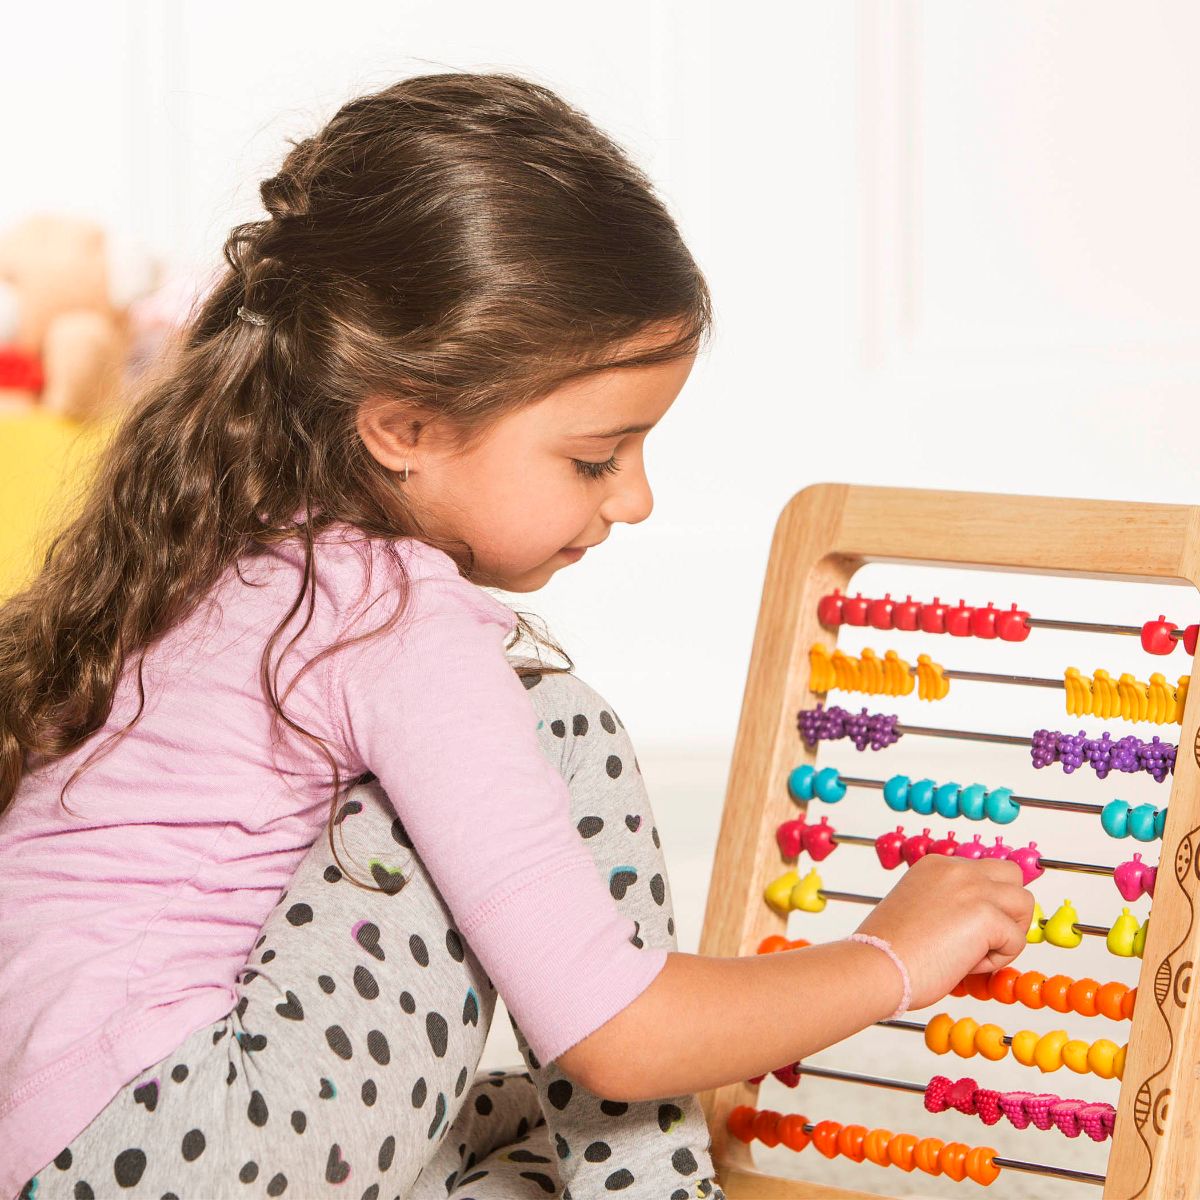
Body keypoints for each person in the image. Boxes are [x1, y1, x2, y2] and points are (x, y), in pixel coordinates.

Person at [0, 71, 1034, 1200]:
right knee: (553, 724)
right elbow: (615, 1038)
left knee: (510, 1125)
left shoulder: (225, 545)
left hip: (72, 1155)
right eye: (597, 457)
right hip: (188, 1134)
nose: (633, 499)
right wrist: (888, 959)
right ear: (405, 424)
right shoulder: (391, 618)